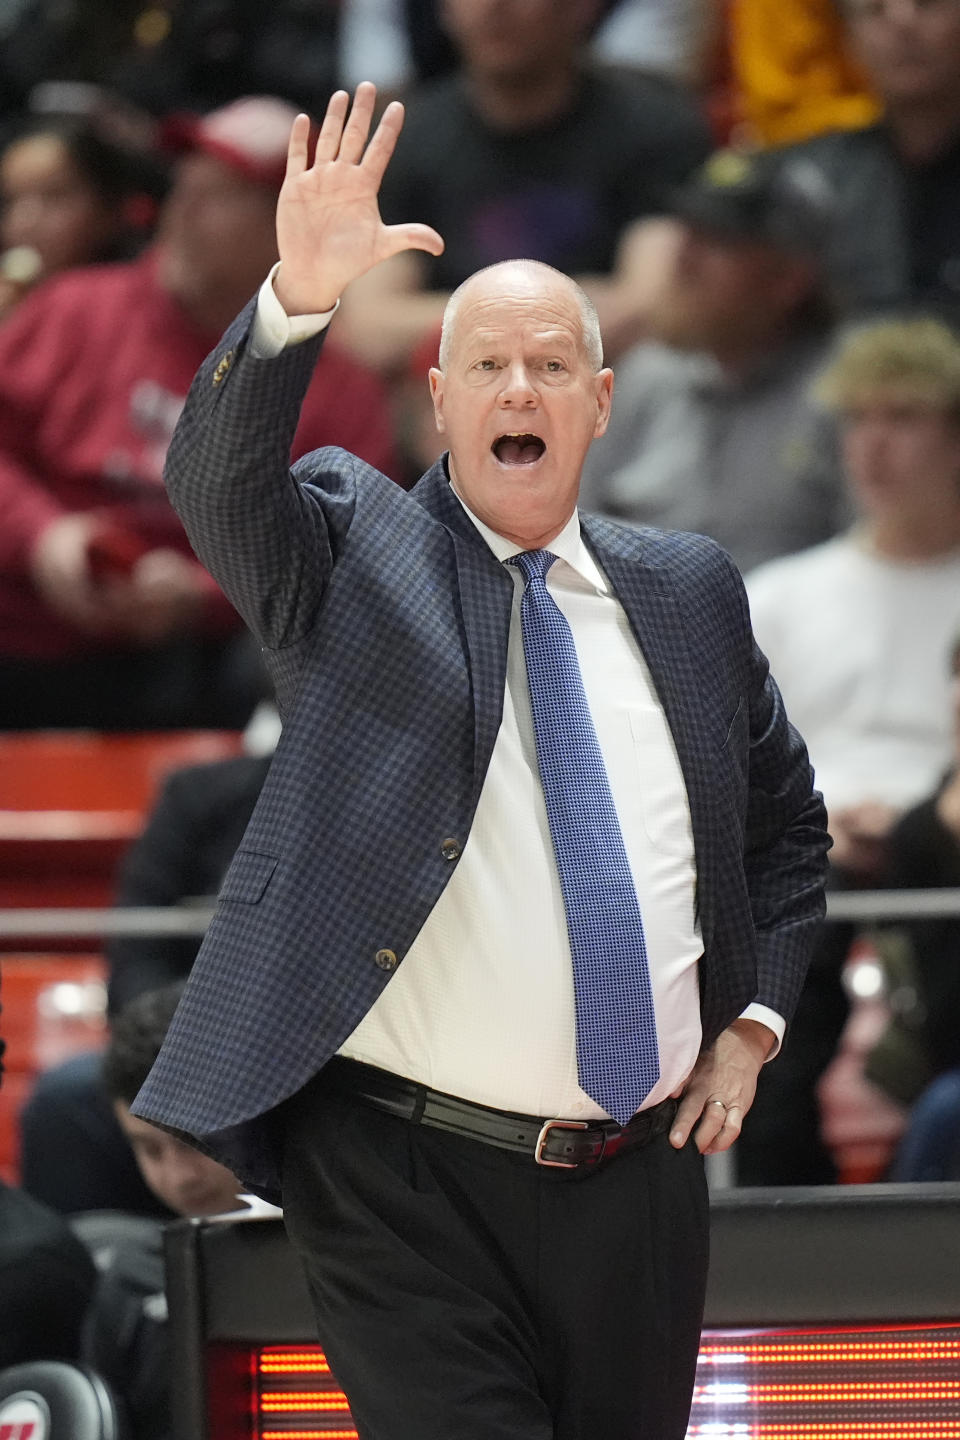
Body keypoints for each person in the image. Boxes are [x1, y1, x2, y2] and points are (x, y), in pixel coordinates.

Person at [133, 83, 830, 1440]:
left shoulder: (687, 592)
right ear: (439, 395)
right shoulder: (353, 541)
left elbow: (788, 834)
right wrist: (296, 295)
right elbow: (216, 487)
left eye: (553, 365)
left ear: (602, 400)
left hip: (638, 1180)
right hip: (402, 1174)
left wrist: (755, 1023)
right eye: (491, 368)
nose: (522, 388)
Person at [0, 94, 397, 729]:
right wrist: (44, 534)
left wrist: (202, 595)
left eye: (219, 195)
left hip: (212, 661)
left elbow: (346, 557)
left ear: (288, 226)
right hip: (39, 621)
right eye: (185, 183)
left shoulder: (338, 387)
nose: (182, 208)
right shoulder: (72, 310)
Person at [333, 0, 712, 374]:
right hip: (454, 393)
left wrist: (451, 321)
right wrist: (564, 309)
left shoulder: (654, 127)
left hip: (607, 392)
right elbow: (371, 329)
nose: (494, 8)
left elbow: (652, 306)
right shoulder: (407, 138)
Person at [19, 748, 273, 1216]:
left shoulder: (390, 798)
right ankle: (100, 1266)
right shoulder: (197, 794)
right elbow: (136, 952)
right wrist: (188, 1046)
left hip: (308, 1049)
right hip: (184, 1040)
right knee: (66, 1100)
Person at [579, 145, 850, 573]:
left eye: (719, 241)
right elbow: (566, 549)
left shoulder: (845, 398)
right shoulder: (644, 377)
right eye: (687, 232)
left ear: (788, 280)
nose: (684, 259)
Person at [81, 983, 246, 1440]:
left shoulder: (349, 1258)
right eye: (148, 1148)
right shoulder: (130, 1278)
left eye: (194, 1142)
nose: (178, 1177)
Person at [776, 0, 960, 317]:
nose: (903, 25)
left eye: (927, 4)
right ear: (847, 38)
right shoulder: (812, 181)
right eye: (874, 9)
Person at [0, 112, 165, 320]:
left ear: (108, 208)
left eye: (54, 196)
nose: (25, 220)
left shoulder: (139, 309)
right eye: (11, 200)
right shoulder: (11, 300)